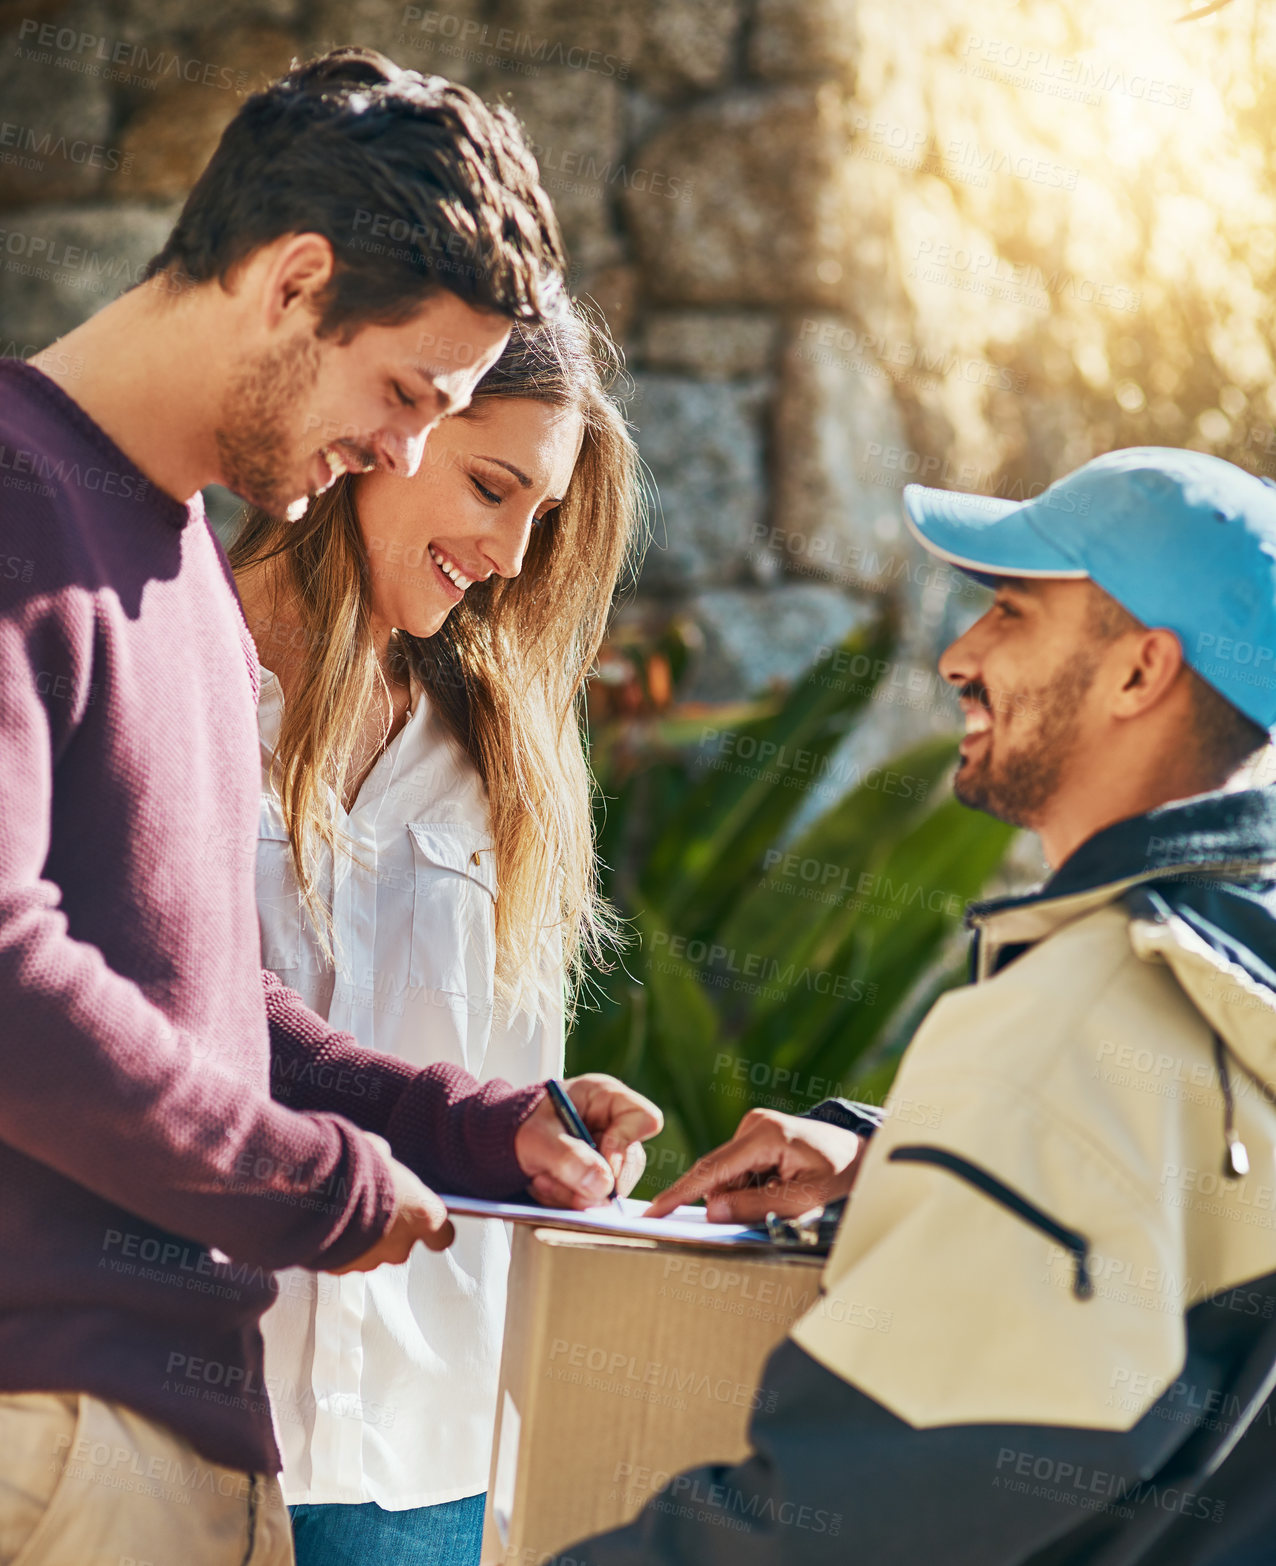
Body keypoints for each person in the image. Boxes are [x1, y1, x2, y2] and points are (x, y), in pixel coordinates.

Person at [0, 47, 658, 1566]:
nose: (406, 453)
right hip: (53, 1424)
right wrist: (312, 1180)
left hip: (171, 1442)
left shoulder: (172, 575)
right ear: (296, 283)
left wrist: (468, 1124)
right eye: (408, 393)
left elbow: (218, 1009)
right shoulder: (21, 497)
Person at [568, 447, 1276, 1565]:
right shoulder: (1236, 976)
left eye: (1008, 612)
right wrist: (904, 1159)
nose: (958, 655)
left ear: (1140, 673)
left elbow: (852, 1517)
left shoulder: (1073, 1022)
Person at [229, 301, 642, 1564]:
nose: (514, 554)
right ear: (385, 430)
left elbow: (506, 1089)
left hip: (423, 1467)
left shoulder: (507, 759)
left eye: (542, 517)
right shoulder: (164, 670)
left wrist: (566, 1141)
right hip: (180, 1416)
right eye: (491, 484)